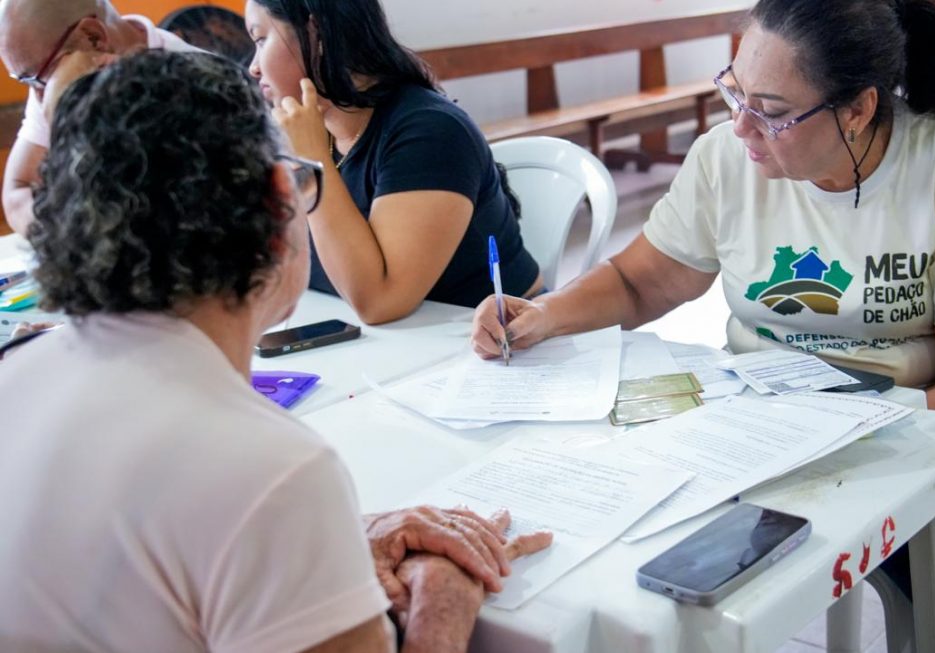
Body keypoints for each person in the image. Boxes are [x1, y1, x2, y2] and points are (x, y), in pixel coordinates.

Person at [471, 0, 935, 650]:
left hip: (933, 411)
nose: (741, 127)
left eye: (771, 112)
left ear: (856, 110)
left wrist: (841, 455)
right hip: (767, 411)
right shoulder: (726, 159)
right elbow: (643, 279)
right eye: (734, 93)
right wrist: (545, 313)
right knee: (605, 551)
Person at [0, 50, 550, 652]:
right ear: (276, 198)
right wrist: (447, 594)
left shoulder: (19, 374)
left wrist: (339, 538)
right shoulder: (269, 471)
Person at [245, 0, 543, 325]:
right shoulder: (310, 130)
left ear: (316, 33)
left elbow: (380, 302)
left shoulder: (430, 131)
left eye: (261, 40)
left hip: (489, 346)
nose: (253, 67)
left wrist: (312, 160)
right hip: (385, 348)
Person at [0, 0, 200, 236]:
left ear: (92, 37)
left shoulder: (199, 86)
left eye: (37, 78)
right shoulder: (54, 80)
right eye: (27, 81)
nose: (39, 97)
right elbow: (16, 192)